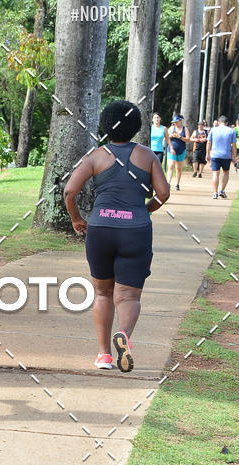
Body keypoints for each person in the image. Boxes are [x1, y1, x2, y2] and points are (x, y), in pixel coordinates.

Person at [64, 100, 170, 373]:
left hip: (100, 229)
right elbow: (164, 193)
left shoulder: (95, 156)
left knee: (102, 292)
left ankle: (103, 355)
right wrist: (145, 210)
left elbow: (69, 192)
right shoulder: (147, 156)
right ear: (136, 127)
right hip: (135, 230)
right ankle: (123, 335)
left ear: (106, 126)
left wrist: (77, 219)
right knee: (129, 296)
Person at [207, 115, 237, 200]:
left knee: (215, 174)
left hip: (215, 154)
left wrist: (207, 153)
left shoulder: (213, 130)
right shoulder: (231, 131)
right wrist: (234, 156)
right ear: (227, 123)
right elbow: (234, 145)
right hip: (226, 155)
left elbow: (208, 142)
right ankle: (222, 190)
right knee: (226, 173)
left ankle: (215, 193)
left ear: (219, 122)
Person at [166, 114, 188, 190]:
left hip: (181, 150)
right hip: (171, 149)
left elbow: (188, 140)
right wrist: (171, 135)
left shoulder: (185, 129)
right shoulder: (171, 128)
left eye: (176, 121)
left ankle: (177, 184)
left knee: (178, 168)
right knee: (171, 166)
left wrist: (180, 137)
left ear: (180, 121)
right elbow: (166, 138)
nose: (175, 123)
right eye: (174, 122)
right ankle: (168, 183)